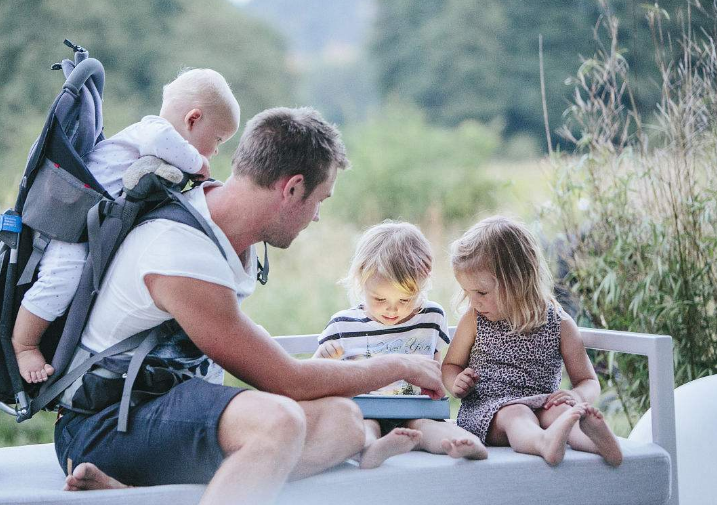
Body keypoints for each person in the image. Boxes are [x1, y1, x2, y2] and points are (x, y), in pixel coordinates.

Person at [56, 107, 447, 505]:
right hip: (107, 424)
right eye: (319, 200)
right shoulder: (179, 251)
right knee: (278, 422)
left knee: (344, 423)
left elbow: (268, 359)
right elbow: (286, 381)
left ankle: (141, 492)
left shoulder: (223, 228)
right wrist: (400, 364)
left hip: (171, 410)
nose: (316, 217)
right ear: (292, 188)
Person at [13, 68, 240, 383]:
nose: (215, 151)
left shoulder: (157, 142)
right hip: (69, 226)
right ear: (192, 119)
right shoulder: (153, 131)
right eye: (217, 140)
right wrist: (197, 162)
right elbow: (163, 142)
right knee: (60, 280)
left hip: (89, 228)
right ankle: (24, 344)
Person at [444, 216, 623, 466]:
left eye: (481, 292)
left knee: (561, 412)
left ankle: (602, 445)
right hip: (490, 411)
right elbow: (450, 365)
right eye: (468, 293)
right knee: (516, 413)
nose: (474, 302)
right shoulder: (474, 320)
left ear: (517, 282)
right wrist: (456, 383)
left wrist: (576, 397)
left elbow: (588, 380)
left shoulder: (559, 323)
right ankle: (543, 443)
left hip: (541, 404)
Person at [313, 221, 488, 469]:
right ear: (361, 279)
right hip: (365, 409)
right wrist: (324, 356)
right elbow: (314, 376)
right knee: (364, 427)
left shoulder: (431, 317)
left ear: (423, 280)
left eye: (406, 299)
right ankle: (371, 449)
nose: (392, 309)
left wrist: (438, 388)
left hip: (414, 409)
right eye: (380, 298)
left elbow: (435, 367)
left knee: (427, 427)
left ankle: (461, 444)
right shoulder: (344, 324)